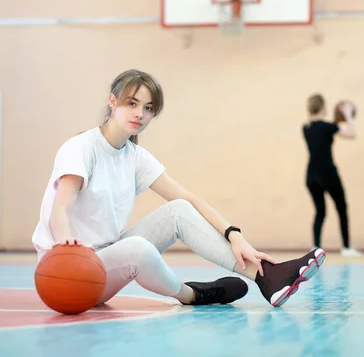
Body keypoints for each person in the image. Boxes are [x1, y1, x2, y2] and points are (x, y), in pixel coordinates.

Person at [31, 69, 326, 308]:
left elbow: (187, 198)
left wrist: (234, 235)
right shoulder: (81, 148)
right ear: (112, 101)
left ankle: (267, 278)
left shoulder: (135, 157)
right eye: (132, 103)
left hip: (104, 265)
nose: (140, 114)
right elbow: (61, 209)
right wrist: (67, 248)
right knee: (137, 248)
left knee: (178, 211)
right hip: (64, 273)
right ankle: (191, 294)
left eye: (148, 108)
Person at [302, 94, 362, 257]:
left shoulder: (306, 128)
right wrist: (348, 114)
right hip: (327, 172)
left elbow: (324, 129)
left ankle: (315, 247)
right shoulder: (327, 127)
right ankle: (347, 248)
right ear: (323, 108)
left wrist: (335, 121)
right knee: (342, 208)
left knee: (320, 211)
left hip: (311, 175)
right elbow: (351, 133)